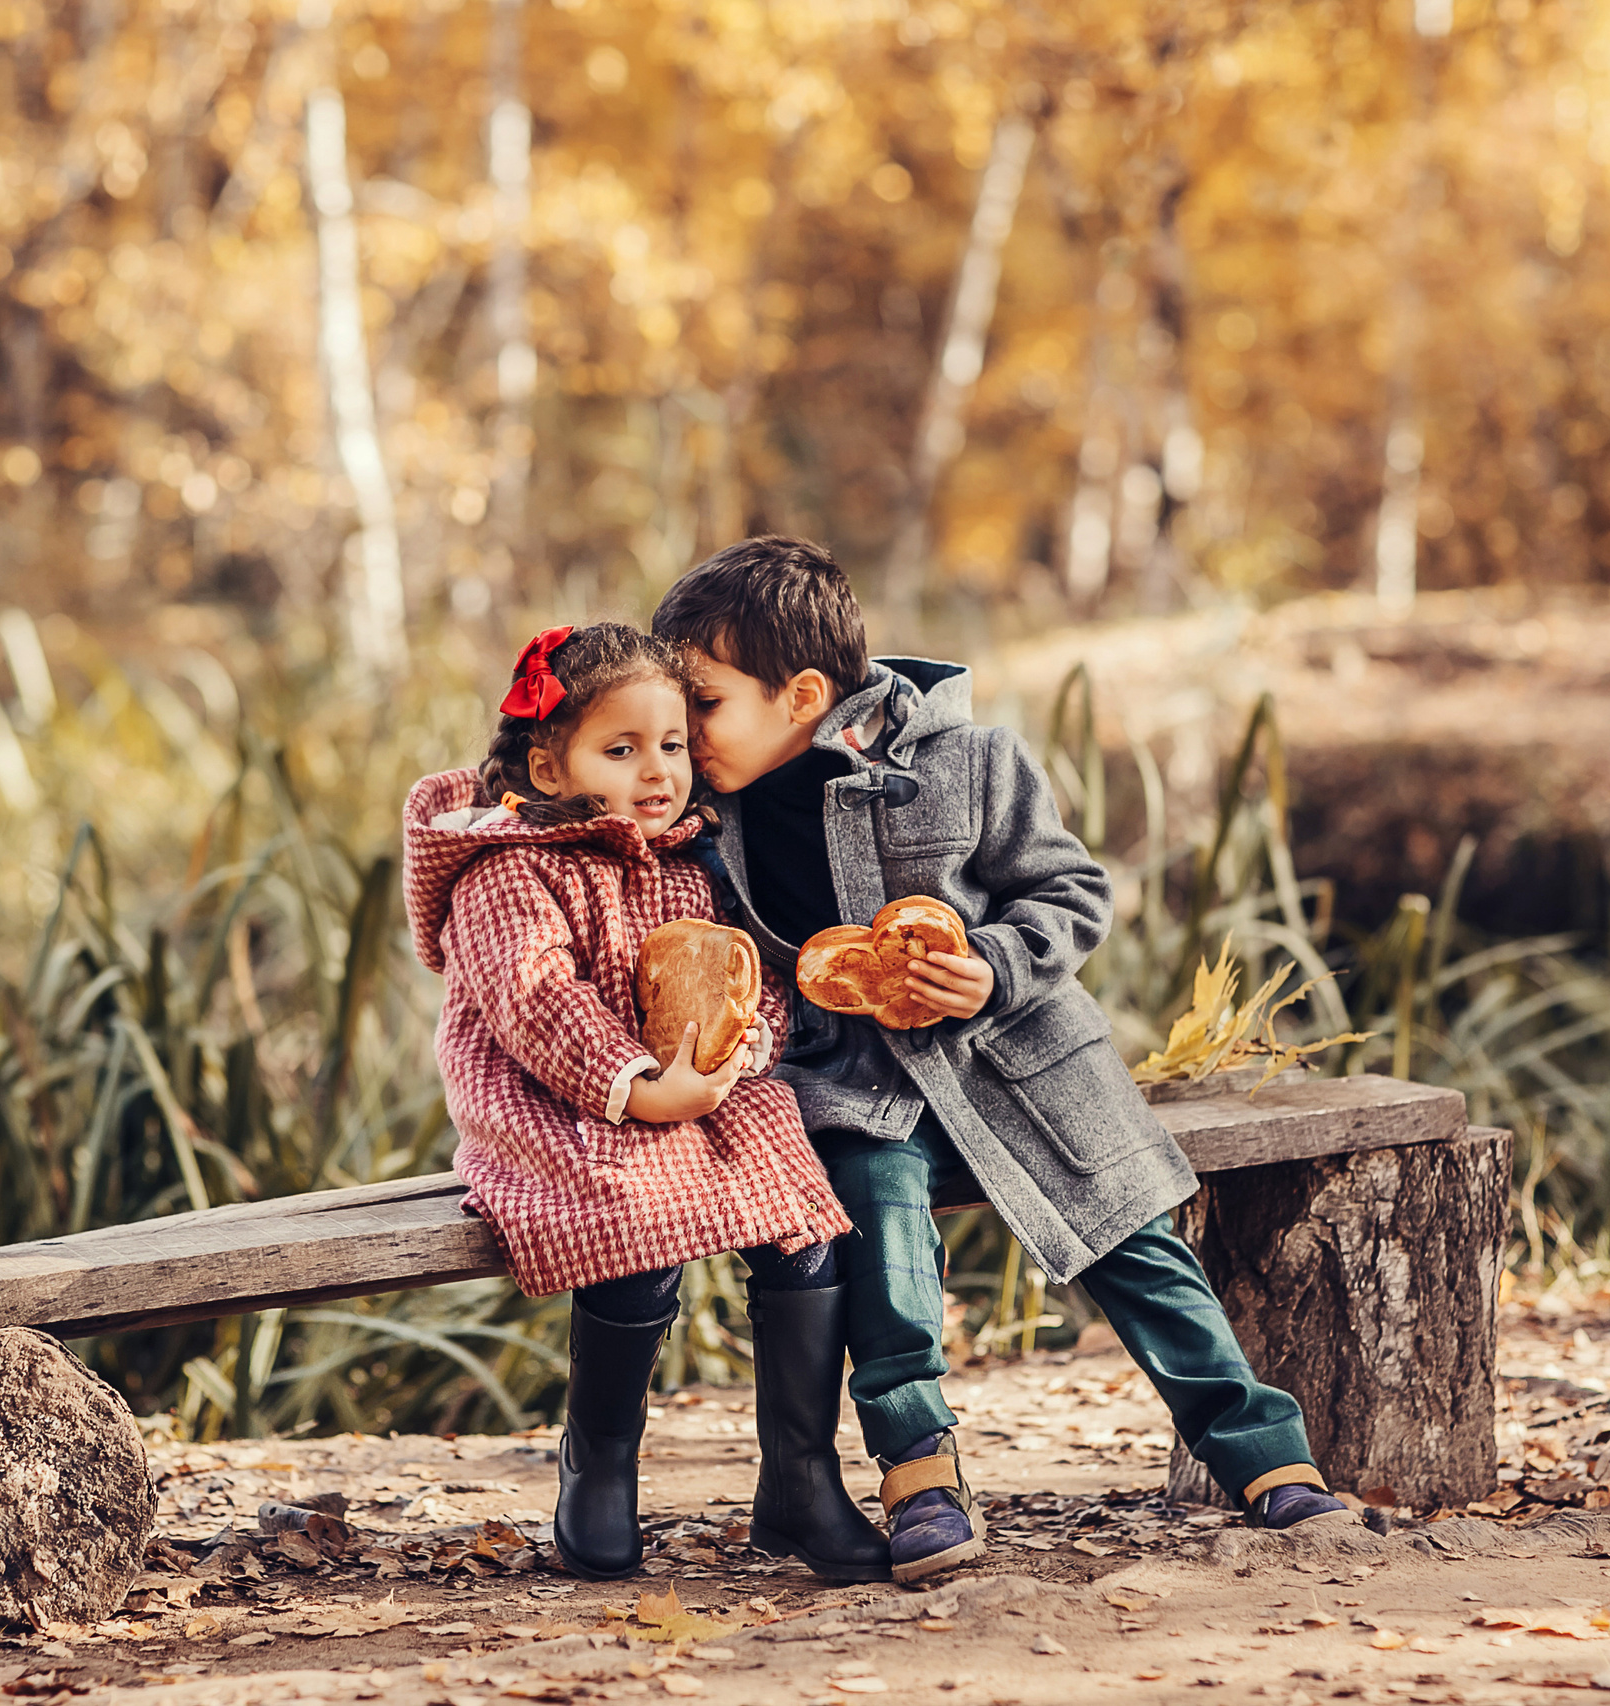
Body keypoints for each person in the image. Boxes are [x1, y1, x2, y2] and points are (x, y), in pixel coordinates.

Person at [651, 538, 1358, 1584]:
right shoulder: (710, 814)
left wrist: (991, 964)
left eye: (701, 703)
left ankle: (1261, 1451)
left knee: (1131, 1235)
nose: (682, 731)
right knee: (881, 1243)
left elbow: (1071, 893)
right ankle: (920, 1472)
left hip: (1016, 1061)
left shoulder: (971, 762)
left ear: (799, 692)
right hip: (854, 1086)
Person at [401, 622, 887, 1583]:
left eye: (670, 745)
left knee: (802, 1217)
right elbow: (536, 1002)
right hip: (560, 1101)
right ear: (549, 766)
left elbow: (752, 974)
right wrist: (638, 1089)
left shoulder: (685, 857)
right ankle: (600, 1469)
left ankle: (800, 1479)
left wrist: (743, 1046)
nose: (657, 770)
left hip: (696, 1088)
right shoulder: (506, 870)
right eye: (620, 750)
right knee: (633, 1223)